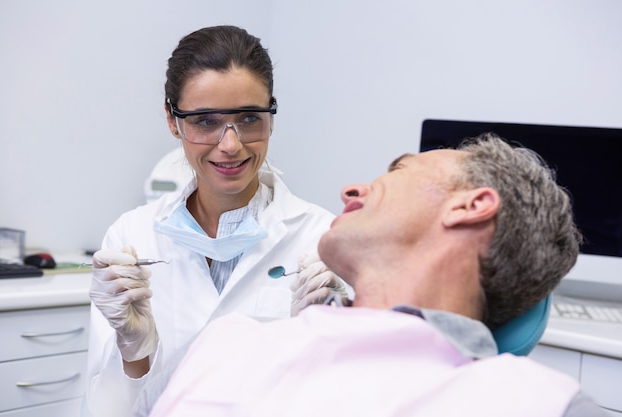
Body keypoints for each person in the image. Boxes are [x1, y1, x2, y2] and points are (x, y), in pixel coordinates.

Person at [135, 134, 607, 417]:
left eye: (399, 171)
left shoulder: (534, 403)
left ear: (471, 205)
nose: (352, 189)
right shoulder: (229, 345)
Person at [84, 25, 348, 417]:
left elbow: (345, 398)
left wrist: (316, 343)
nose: (231, 144)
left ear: (271, 116)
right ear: (174, 121)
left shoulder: (324, 240)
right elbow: (108, 407)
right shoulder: (131, 237)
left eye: (248, 118)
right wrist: (134, 352)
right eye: (205, 121)